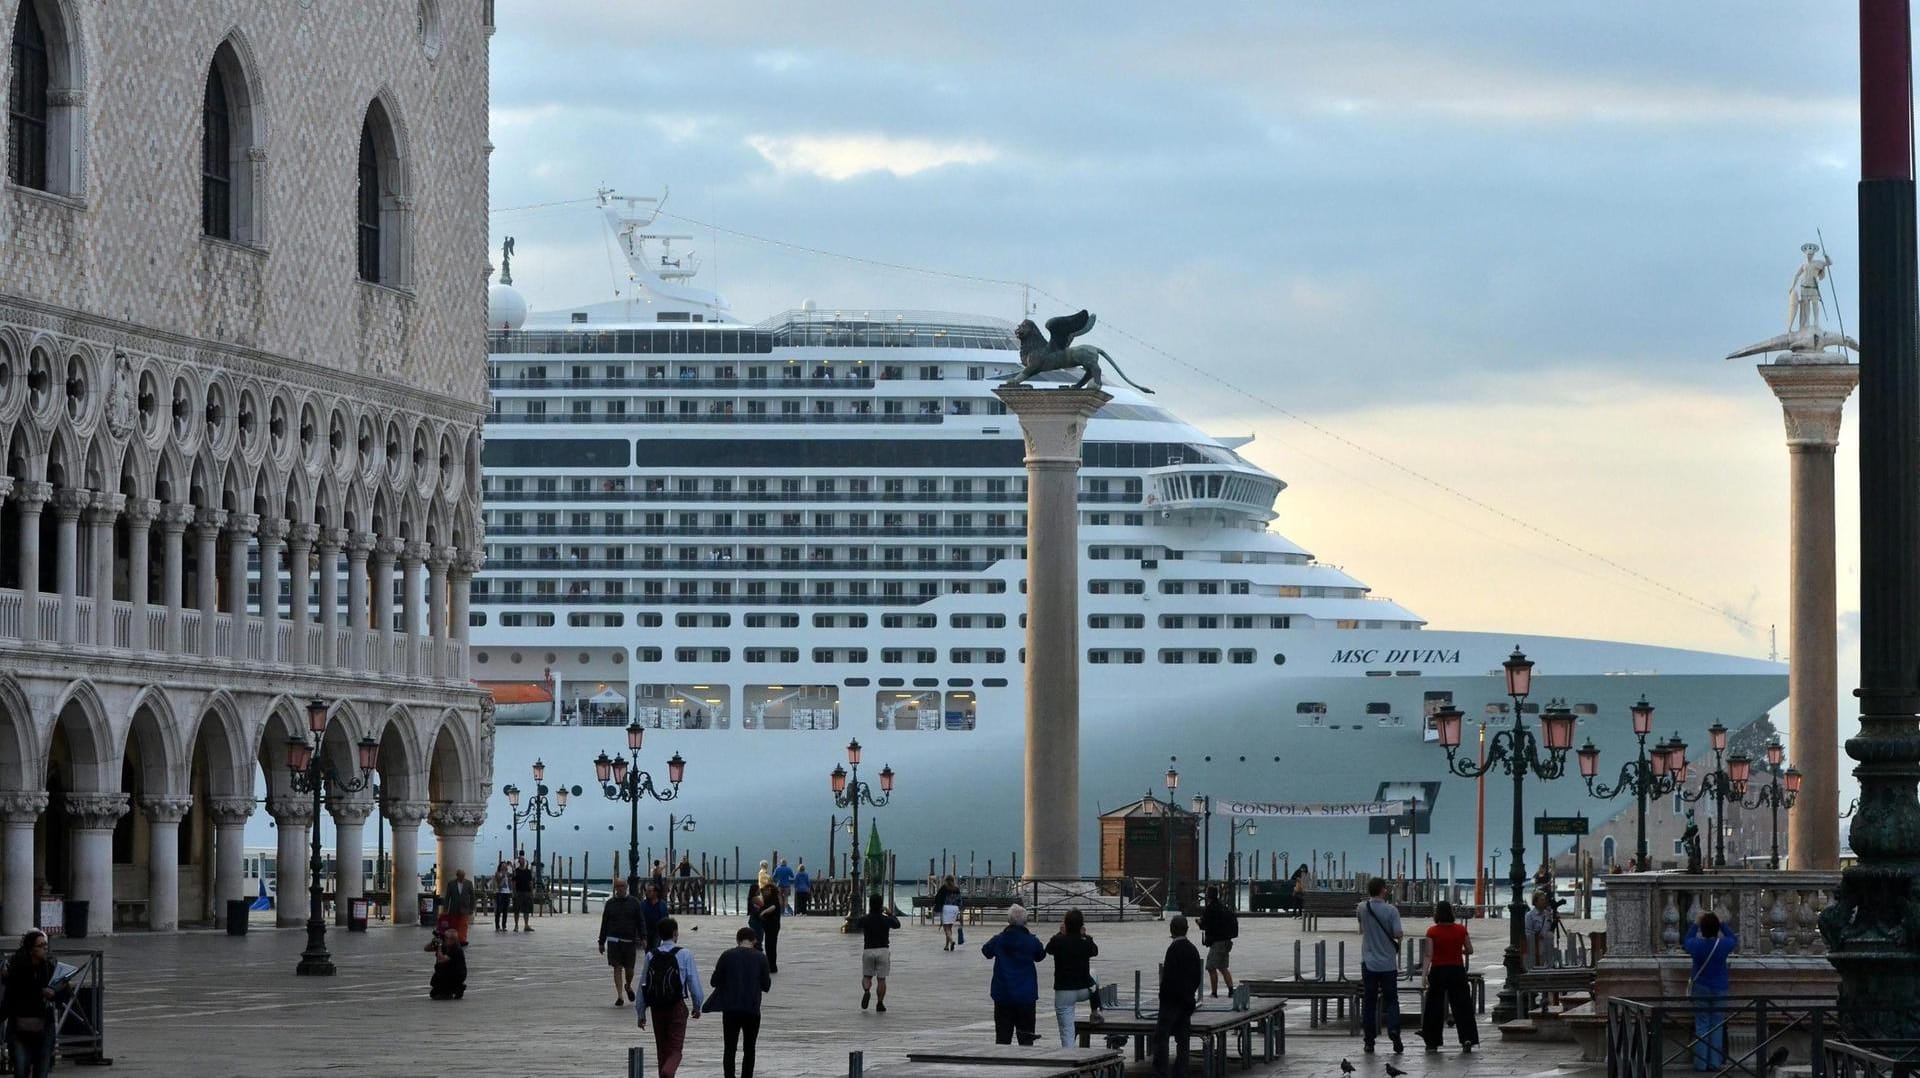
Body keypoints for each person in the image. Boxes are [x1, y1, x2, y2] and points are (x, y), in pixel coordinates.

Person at [636, 917, 705, 1078]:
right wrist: (697, 1005)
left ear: (659, 935)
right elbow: (693, 982)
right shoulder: (684, 954)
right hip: (676, 1006)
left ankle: (664, 1073)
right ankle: (668, 1072)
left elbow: (643, 984)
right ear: (675, 933)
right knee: (675, 1050)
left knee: (662, 1048)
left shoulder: (651, 955)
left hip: (656, 1007)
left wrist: (641, 1012)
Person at [707, 926, 773, 1078]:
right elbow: (766, 986)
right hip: (752, 1008)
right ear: (754, 940)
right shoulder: (761, 958)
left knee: (729, 1048)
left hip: (730, 1009)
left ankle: (729, 1076)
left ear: (737, 940)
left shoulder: (727, 955)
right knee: (749, 1048)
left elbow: (714, 981)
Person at [2, 930, 66, 1077]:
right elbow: (11, 998)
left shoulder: (49, 967)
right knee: (21, 1069)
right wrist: (41, 992)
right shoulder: (17, 969)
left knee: (42, 1070)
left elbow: (61, 997)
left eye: (45, 945)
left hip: (44, 1025)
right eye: (41, 945)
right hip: (20, 1025)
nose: (45, 948)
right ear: (31, 949)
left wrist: (57, 991)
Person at [981, 904, 1046, 1046]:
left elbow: (986, 951)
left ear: (1009, 920)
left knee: (1003, 1038)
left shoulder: (1000, 939)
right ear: (1025, 921)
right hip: (1026, 995)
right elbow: (1040, 955)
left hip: (1003, 993)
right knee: (1026, 1038)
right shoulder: (1031, 940)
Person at [1419, 900, 1479, 1052]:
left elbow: (1428, 955)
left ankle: (1432, 1041)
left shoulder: (1432, 931)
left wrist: (1424, 976)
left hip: (1439, 970)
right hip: (1457, 970)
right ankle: (1467, 1037)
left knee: (1434, 1006)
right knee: (1462, 1005)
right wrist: (1458, 951)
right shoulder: (1460, 929)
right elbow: (1470, 950)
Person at [1683, 911, 1738, 1072]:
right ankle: (1714, 1062)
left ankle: (1701, 1063)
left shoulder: (1696, 945)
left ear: (1702, 929)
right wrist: (1722, 924)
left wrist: (1695, 924)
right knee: (1717, 1024)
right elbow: (1734, 939)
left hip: (1700, 986)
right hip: (1719, 986)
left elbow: (1686, 940)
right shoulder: (1723, 945)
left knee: (1702, 1023)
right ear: (1716, 929)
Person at [1356, 876, 1404, 1054]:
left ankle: (1369, 1040)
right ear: (1383, 890)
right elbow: (1398, 933)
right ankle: (1393, 1030)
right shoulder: (1391, 910)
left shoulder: (1362, 907)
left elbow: (1361, 928)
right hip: (1388, 963)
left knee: (1369, 1002)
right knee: (1392, 1000)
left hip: (1368, 962)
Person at [1152, 914, 1203, 1078]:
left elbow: (1168, 978)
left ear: (1171, 930)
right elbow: (1197, 977)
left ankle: (1161, 1071)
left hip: (1171, 1001)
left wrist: (1163, 997)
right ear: (1187, 930)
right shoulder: (1193, 949)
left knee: (1162, 1036)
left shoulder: (1173, 950)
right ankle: (1180, 1070)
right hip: (1187, 1000)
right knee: (1183, 1039)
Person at [1045, 908, 1105, 1048]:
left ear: (1065, 924)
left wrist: (1060, 933)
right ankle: (1095, 1011)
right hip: (1084, 989)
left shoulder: (1058, 940)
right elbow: (1094, 951)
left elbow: (1048, 949)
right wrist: (1085, 935)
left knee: (1067, 1031)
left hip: (1064, 990)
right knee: (1093, 973)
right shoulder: (1085, 941)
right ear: (1081, 925)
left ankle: (1069, 1055)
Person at [599, 878, 645, 1006]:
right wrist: (601, 942)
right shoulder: (610, 904)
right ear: (614, 888)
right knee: (617, 967)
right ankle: (619, 996)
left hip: (629, 941)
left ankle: (628, 986)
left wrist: (643, 937)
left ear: (627, 887)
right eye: (618, 886)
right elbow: (604, 923)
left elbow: (640, 921)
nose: (620, 888)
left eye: (622, 886)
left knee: (629, 969)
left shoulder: (634, 903)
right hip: (614, 941)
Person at [854, 894, 901, 1012]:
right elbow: (897, 924)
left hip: (868, 950)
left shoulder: (865, 919)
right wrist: (890, 913)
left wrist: (864, 915)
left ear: (870, 905)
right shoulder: (885, 919)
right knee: (881, 979)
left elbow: (857, 924)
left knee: (867, 976)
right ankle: (880, 1003)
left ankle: (866, 990)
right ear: (881, 905)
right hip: (883, 950)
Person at [1198, 886, 1238, 998]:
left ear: (1208, 896)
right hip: (1227, 941)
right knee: (1223, 966)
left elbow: (1205, 924)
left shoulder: (1210, 909)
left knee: (1211, 967)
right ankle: (1231, 990)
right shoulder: (1223, 907)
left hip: (1217, 942)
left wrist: (1199, 922)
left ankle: (1214, 992)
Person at [426, 918, 467, 1000]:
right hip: (443, 972)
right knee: (434, 992)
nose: (444, 939)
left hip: (455, 974)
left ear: (452, 940)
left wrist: (440, 946)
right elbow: (426, 949)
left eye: (446, 938)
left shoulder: (456, 949)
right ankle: (452, 989)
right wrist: (433, 943)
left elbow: (441, 959)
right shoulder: (445, 945)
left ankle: (457, 988)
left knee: (444, 993)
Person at [755, 883, 784, 974]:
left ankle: (772, 966)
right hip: (767, 926)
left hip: (773, 926)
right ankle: (770, 965)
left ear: (771, 891)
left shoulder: (774, 900)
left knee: (771, 945)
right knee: (768, 945)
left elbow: (773, 907)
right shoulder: (767, 900)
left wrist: (763, 912)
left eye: (766, 891)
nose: (764, 892)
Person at [1525, 890, 1557, 969]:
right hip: (1536, 946)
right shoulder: (1530, 915)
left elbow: (1550, 930)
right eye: (1541, 900)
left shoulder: (1547, 914)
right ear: (1535, 902)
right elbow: (1528, 931)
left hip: (1548, 945)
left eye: (1544, 900)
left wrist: (1555, 921)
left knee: (1549, 963)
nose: (1544, 902)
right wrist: (1537, 937)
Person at [444, 867, 475, 945]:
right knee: (454, 925)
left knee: (463, 925)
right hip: (454, 908)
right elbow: (447, 897)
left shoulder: (469, 883)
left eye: (463, 876)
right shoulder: (451, 884)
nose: (462, 878)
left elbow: (472, 897)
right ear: (457, 876)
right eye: (460, 876)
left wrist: (472, 908)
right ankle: (454, 939)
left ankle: (462, 940)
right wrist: (445, 909)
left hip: (465, 908)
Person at [640, 882, 671, 953]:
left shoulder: (662, 904)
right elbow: (640, 918)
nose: (647, 893)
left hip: (657, 931)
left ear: (656, 892)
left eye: (650, 891)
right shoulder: (643, 904)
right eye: (646, 891)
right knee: (647, 951)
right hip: (646, 932)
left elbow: (666, 918)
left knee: (655, 948)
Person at [935, 875, 962, 951]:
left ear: (945, 880)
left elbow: (938, 898)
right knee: (950, 927)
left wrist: (938, 907)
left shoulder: (944, 887)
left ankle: (951, 941)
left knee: (946, 928)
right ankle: (947, 945)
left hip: (946, 908)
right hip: (955, 908)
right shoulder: (956, 889)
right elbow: (960, 899)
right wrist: (960, 909)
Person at [511, 853, 535, 932]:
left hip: (527, 892)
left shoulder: (528, 872)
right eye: (521, 860)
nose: (523, 861)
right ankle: (516, 925)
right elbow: (513, 883)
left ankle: (526, 924)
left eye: (523, 860)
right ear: (519, 862)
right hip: (519, 892)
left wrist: (531, 892)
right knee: (516, 910)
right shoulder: (516, 871)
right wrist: (514, 893)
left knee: (526, 910)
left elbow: (530, 882)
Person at [492, 861, 512, 932]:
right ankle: (497, 926)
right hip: (500, 892)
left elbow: (510, 882)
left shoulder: (508, 874)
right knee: (499, 910)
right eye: (503, 865)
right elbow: (498, 881)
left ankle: (504, 926)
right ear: (500, 866)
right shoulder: (497, 873)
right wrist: (503, 875)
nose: (504, 867)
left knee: (505, 910)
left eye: (505, 866)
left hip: (507, 892)